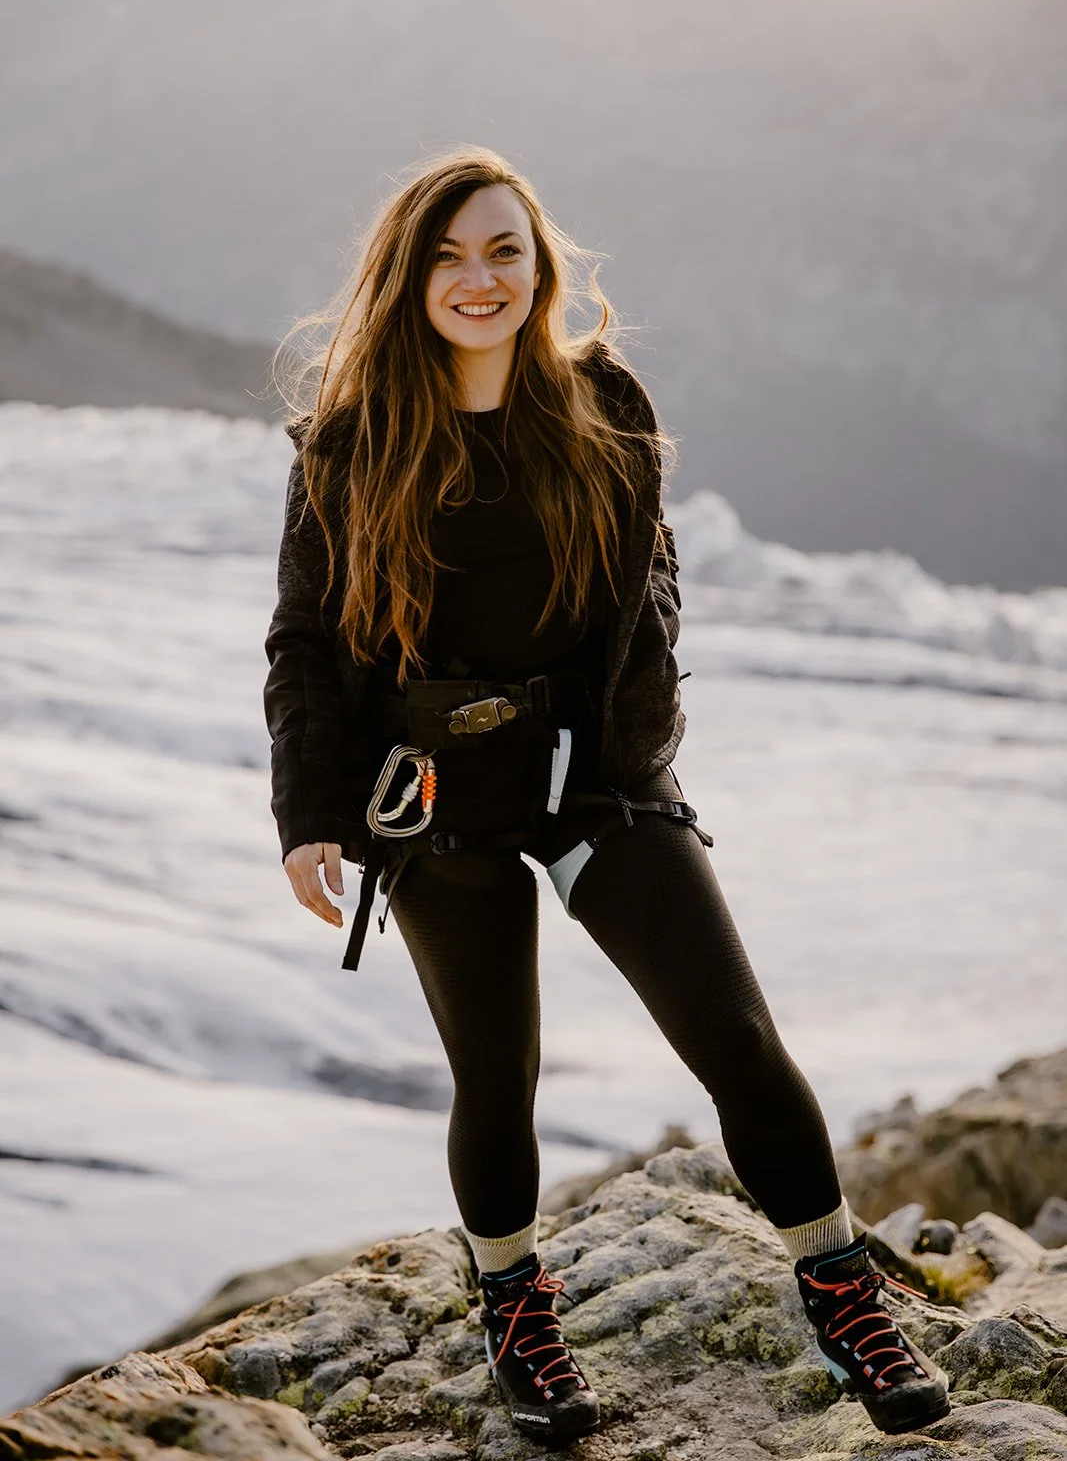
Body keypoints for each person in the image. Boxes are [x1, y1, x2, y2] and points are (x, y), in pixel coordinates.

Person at [263, 147, 950, 1442]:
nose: (479, 279)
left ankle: (843, 1293)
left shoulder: (602, 401)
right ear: (407, 278)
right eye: (449, 256)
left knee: (733, 1038)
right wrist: (309, 812)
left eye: (502, 251)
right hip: (432, 792)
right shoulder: (351, 443)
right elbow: (303, 640)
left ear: (539, 266)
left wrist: (636, 738)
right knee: (497, 1075)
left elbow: (652, 579)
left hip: (592, 779)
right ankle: (519, 1318)